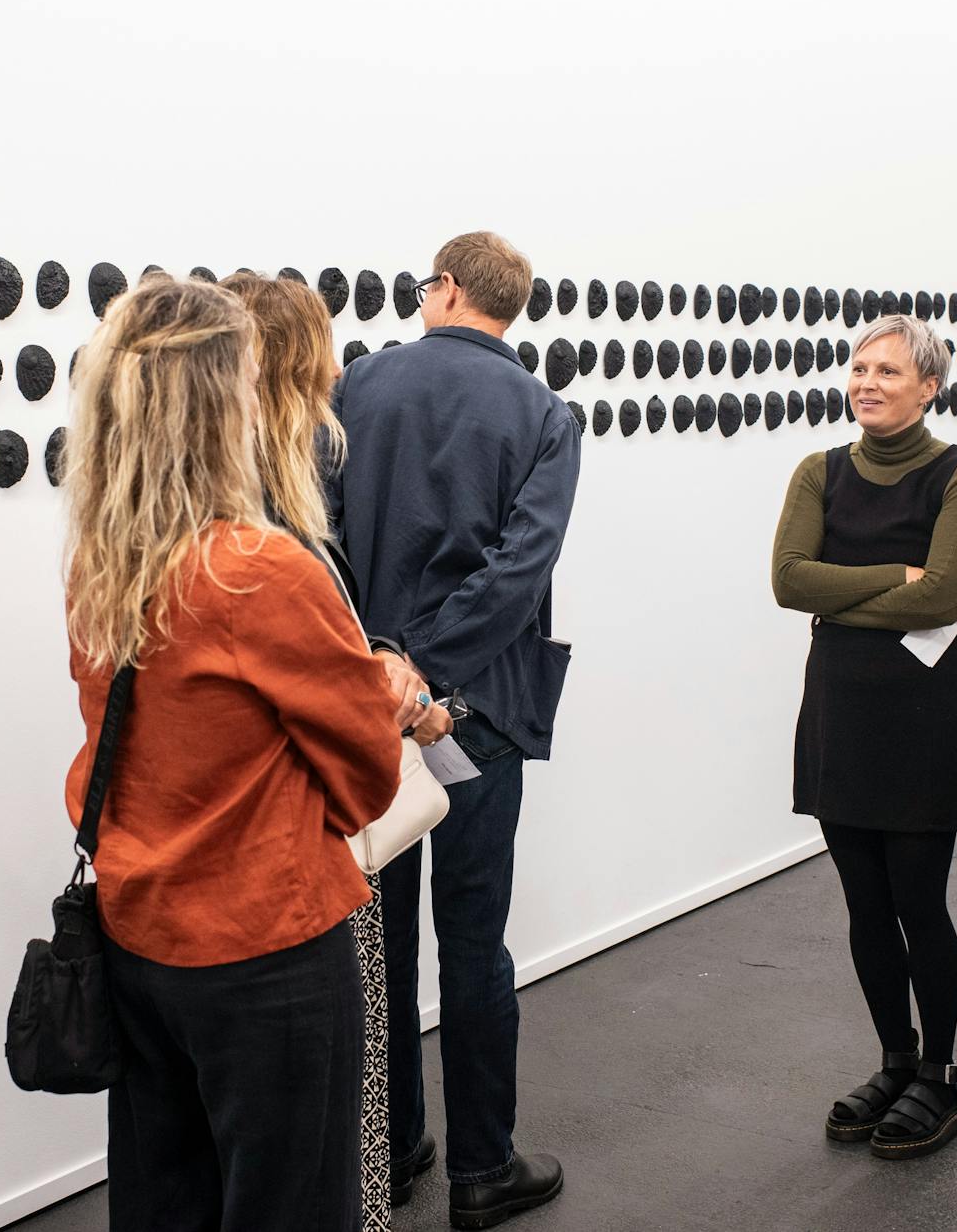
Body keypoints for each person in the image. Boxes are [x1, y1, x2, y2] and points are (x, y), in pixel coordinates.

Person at [62, 273, 402, 1232]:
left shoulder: (103, 560)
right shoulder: (257, 570)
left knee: (168, 1200)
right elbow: (369, 771)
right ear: (225, 402)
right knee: (292, 1204)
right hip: (266, 949)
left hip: (141, 933)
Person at [331, 231, 578, 1228]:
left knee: (378, 943)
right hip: (476, 709)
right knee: (476, 944)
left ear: (441, 290)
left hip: (364, 700)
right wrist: (429, 668)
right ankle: (482, 1169)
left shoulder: (358, 386)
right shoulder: (544, 413)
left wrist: (383, 659)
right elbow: (520, 572)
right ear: (508, 308)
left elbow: (325, 541)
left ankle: (389, 1150)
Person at [224, 270, 452, 1232]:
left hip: (206, 887)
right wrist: (393, 699)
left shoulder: (170, 526)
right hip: (297, 869)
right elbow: (347, 747)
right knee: (321, 1150)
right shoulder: (277, 540)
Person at [771, 312, 957, 1161]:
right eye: (859, 368)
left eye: (889, 372)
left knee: (918, 901)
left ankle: (940, 1075)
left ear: (930, 386)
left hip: (923, 717)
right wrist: (888, 581)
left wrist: (844, 597)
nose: (867, 382)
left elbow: (944, 597)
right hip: (842, 709)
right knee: (864, 905)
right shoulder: (818, 471)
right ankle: (894, 1061)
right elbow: (788, 580)